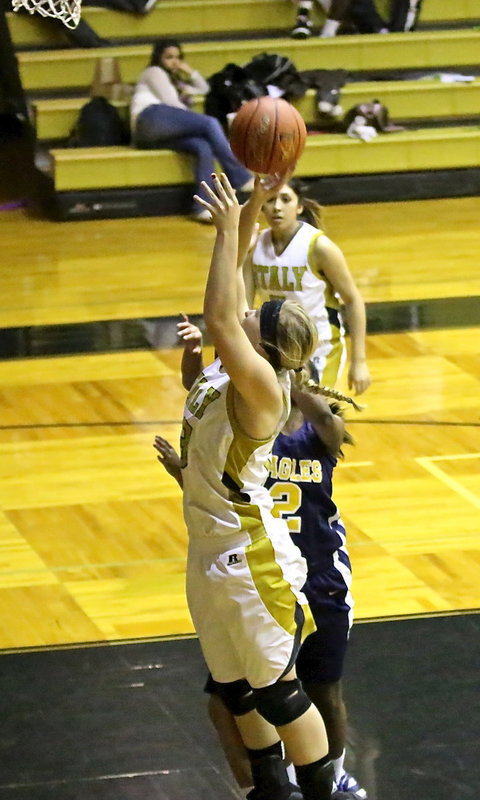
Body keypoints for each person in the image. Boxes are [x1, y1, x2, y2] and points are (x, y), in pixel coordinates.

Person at [158, 170, 364, 800]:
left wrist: (224, 230)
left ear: (264, 343)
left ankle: (323, 791)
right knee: (238, 692)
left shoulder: (261, 388)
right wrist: (245, 214)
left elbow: (222, 312)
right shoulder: (231, 369)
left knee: (279, 692)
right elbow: (226, 304)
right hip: (208, 549)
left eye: (255, 316)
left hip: (251, 561)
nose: (244, 309)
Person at [242, 177, 371, 395]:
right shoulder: (255, 247)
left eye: (285, 200)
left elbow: (353, 300)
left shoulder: (319, 246)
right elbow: (244, 303)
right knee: (280, 421)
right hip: (277, 346)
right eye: (271, 200)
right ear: (262, 206)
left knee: (318, 417)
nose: (277, 207)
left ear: (299, 206)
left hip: (319, 347)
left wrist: (359, 361)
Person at [130, 40, 253, 222]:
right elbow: (172, 104)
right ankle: (240, 177)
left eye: (178, 58)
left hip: (153, 135)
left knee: (203, 147)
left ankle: (202, 207)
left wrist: (189, 71)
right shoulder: (153, 72)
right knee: (209, 124)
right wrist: (194, 120)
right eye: (169, 57)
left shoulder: (176, 82)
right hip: (148, 118)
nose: (174, 62)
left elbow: (204, 89)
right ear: (158, 58)